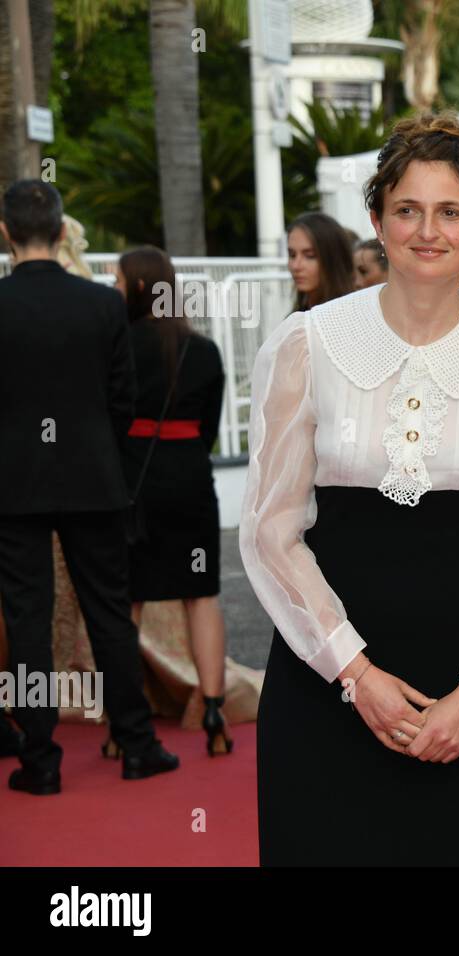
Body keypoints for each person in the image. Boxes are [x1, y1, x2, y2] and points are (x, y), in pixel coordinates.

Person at [241, 112, 459, 865]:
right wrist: (354, 673)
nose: (429, 230)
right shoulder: (304, 346)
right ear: (377, 222)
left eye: (451, 211)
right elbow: (269, 528)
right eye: (407, 210)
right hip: (324, 686)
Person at [0, 180, 179, 794]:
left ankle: (39, 761)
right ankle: (137, 745)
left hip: (14, 485)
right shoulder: (102, 306)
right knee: (109, 614)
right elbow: (123, 401)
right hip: (94, 480)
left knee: (26, 621)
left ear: (5, 233)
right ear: (58, 231)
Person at [114, 246, 233, 757]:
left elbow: (109, 418)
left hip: (134, 482)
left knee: (128, 601)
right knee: (201, 595)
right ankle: (212, 711)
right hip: (189, 479)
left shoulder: (116, 346)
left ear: (138, 287)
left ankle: (124, 725)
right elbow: (209, 428)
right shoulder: (203, 350)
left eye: (118, 281)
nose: (113, 290)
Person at [286, 211, 355, 312]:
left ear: (334, 259)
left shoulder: (350, 315)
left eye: (310, 256)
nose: (296, 266)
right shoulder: (298, 315)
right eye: (292, 255)